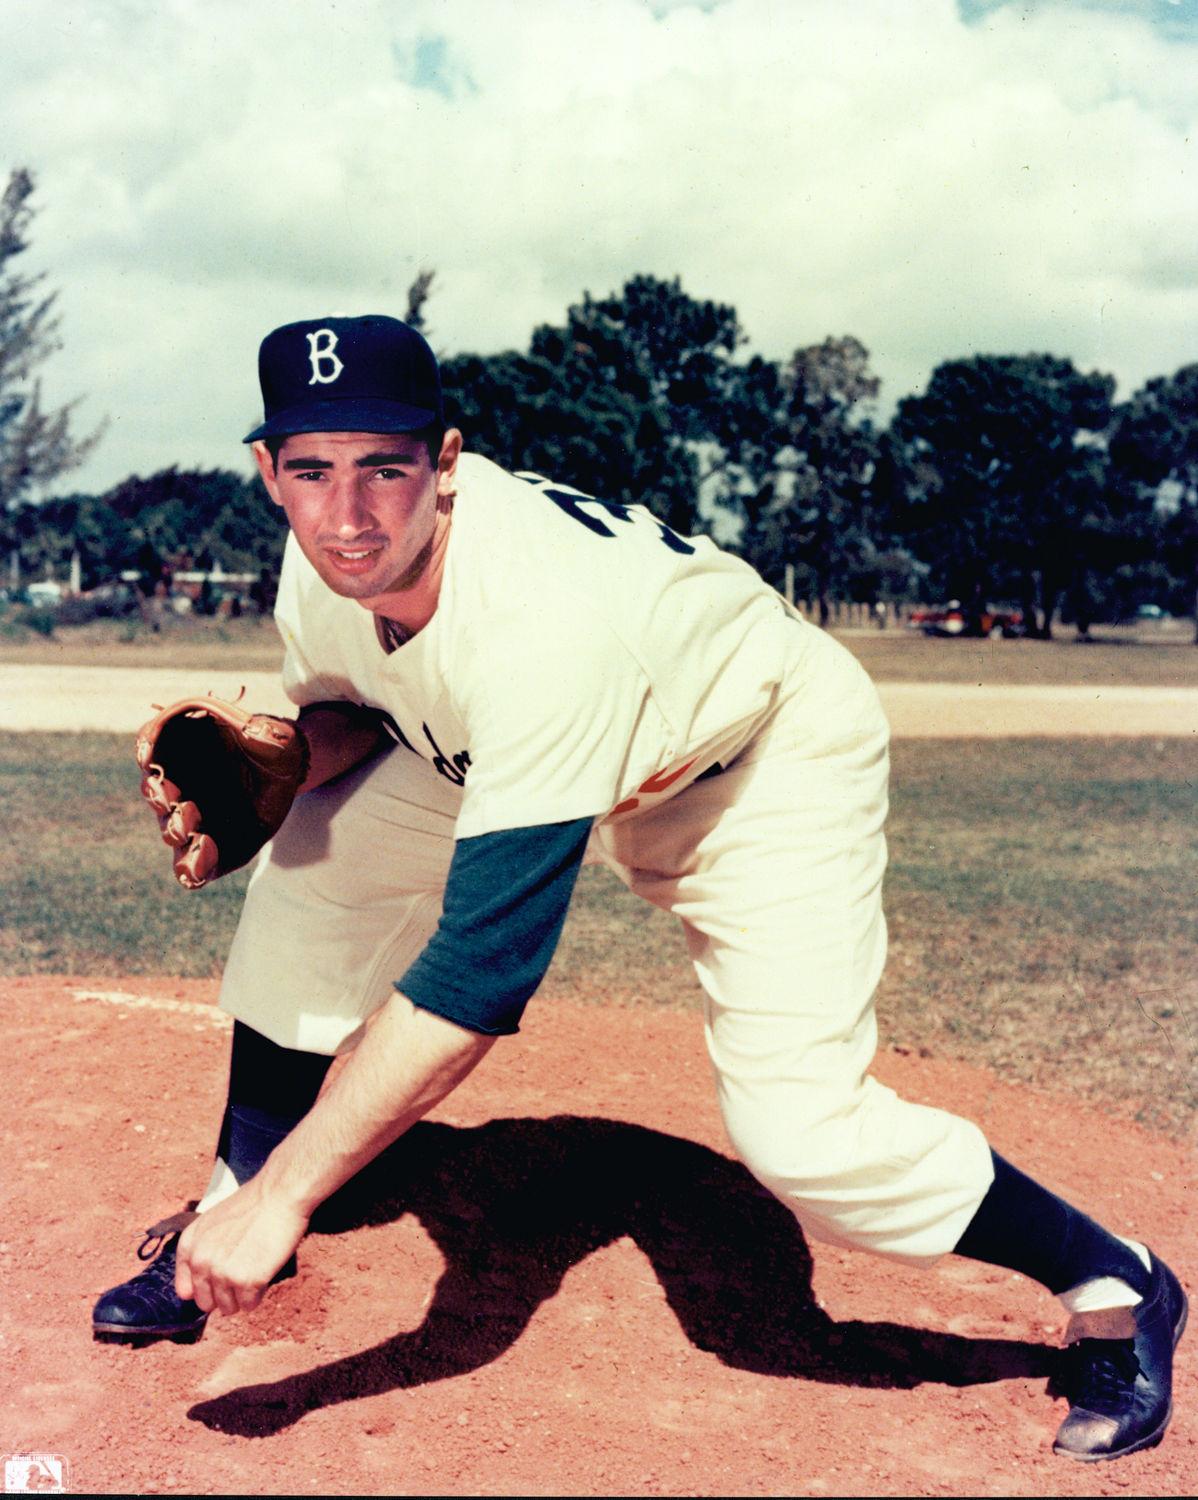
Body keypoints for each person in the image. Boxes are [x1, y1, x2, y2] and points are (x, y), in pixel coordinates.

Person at [93, 315, 1185, 1463]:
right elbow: (360, 708)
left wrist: (294, 1205)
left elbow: (478, 977)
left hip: (753, 757)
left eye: (386, 467)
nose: (349, 512)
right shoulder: (321, 565)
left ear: (447, 462)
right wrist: (293, 764)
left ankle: (1119, 1282)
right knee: (318, 858)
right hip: (496, 741)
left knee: (808, 1137)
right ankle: (235, 1189)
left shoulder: (542, 619)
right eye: (312, 470)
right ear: (269, 474)